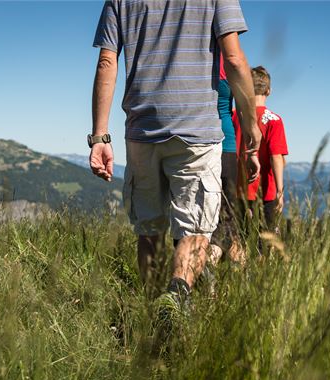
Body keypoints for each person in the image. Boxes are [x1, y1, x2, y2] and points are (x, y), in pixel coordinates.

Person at [89, 0, 262, 309]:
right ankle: (176, 297)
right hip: (196, 132)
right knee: (194, 231)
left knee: (149, 230)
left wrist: (100, 136)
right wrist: (250, 124)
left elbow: (106, 61)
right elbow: (234, 59)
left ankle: (152, 313)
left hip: (142, 131)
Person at [234, 66, 288, 232]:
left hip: (236, 190)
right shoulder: (273, 120)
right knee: (264, 244)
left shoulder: (234, 115)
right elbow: (276, 157)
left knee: (239, 241)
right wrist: (280, 191)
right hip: (265, 192)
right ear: (268, 91)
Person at [209, 54, 243, 265]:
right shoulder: (230, 61)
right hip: (226, 145)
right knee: (226, 214)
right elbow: (241, 110)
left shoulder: (193, 58)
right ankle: (213, 258)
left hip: (195, 142)